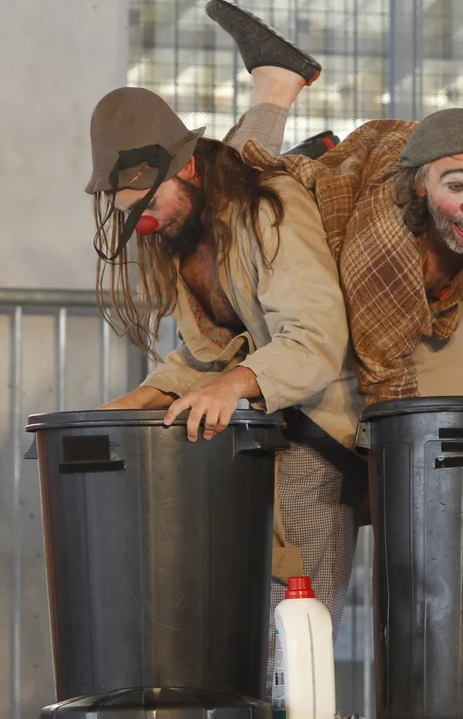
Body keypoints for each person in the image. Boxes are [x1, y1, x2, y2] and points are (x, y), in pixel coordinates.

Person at [86, 47, 364, 699]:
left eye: (148, 201)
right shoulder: (181, 235)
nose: (142, 222)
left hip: (319, 430)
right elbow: (211, 351)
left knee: (291, 631)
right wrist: (140, 399)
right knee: (234, 627)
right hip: (260, 434)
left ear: (186, 167)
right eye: (129, 210)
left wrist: (234, 385)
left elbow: (315, 339)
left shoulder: (269, 210)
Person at [204, 0, 463, 406]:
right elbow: (386, 382)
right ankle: (277, 85)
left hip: (430, 222)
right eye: (456, 187)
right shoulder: (384, 241)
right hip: (359, 186)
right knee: (229, 204)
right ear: (423, 188)